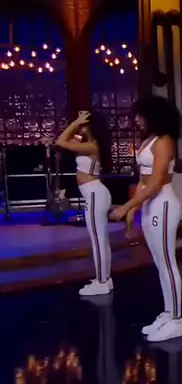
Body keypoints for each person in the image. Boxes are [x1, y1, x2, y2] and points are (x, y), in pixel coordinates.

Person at [110, 95, 182, 342]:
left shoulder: (164, 141)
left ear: (152, 115)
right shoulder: (150, 140)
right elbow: (143, 183)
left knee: (167, 263)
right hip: (150, 205)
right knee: (160, 263)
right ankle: (168, 313)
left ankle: (176, 320)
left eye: (140, 116)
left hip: (163, 204)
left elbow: (156, 182)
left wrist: (126, 207)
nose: (136, 120)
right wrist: (132, 214)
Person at [55, 110, 114, 296]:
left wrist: (76, 122)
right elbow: (67, 142)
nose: (80, 124)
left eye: (84, 122)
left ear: (90, 125)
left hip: (95, 194)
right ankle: (105, 279)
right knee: (100, 239)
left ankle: (101, 282)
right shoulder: (88, 143)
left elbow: (60, 141)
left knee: (98, 241)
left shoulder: (91, 146)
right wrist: (79, 126)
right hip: (95, 193)